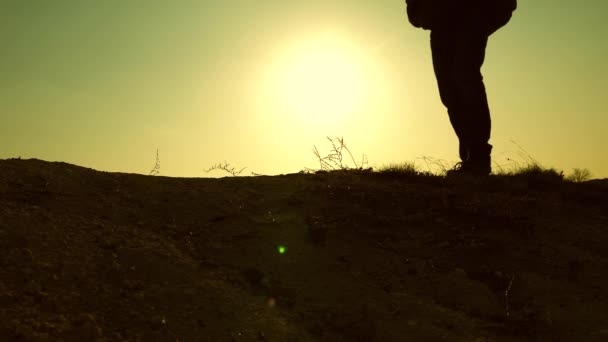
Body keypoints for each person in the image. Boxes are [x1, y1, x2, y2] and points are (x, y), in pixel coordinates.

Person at [405, 0, 517, 175]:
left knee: (464, 73)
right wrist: (421, 13)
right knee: (449, 90)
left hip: (475, 11)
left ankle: (478, 156)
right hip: (442, 22)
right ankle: (470, 155)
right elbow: (415, 11)